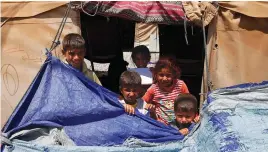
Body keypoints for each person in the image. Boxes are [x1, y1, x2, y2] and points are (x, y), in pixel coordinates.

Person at [143, 56, 189, 125]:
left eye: (168, 75)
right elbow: (142, 102)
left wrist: (195, 116)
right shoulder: (154, 89)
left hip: (179, 122)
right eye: (161, 75)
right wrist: (149, 105)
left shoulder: (180, 85)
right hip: (160, 124)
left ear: (174, 74)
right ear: (156, 74)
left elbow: (189, 102)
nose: (164, 79)